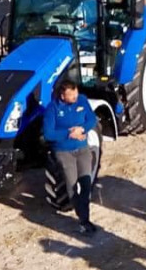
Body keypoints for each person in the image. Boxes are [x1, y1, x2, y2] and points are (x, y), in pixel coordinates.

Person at [42, 79, 99, 234]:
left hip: (82, 149)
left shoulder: (82, 101)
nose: (75, 97)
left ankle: (84, 219)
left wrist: (82, 129)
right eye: (71, 95)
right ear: (62, 96)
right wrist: (69, 134)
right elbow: (49, 134)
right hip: (64, 152)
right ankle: (83, 219)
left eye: (76, 93)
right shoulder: (52, 109)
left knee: (86, 183)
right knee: (72, 186)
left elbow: (91, 119)